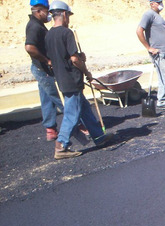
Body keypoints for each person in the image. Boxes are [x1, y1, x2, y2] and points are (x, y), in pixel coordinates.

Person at [45, 0, 113, 159]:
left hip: (62, 79)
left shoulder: (49, 35)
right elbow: (74, 59)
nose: (68, 18)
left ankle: (99, 137)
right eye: (68, 15)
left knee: (85, 109)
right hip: (72, 80)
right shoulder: (66, 33)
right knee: (72, 114)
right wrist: (86, 71)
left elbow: (60, 58)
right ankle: (61, 145)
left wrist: (76, 58)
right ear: (63, 14)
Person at [25, 0, 64, 141]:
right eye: (47, 11)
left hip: (40, 69)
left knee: (47, 99)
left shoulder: (38, 25)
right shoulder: (34, 26)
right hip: (42, 69)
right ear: (39, 11)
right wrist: (47, 60)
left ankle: (50, 129)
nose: (48, 14)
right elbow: (30, 48)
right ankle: (78, 125)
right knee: (59, 99)